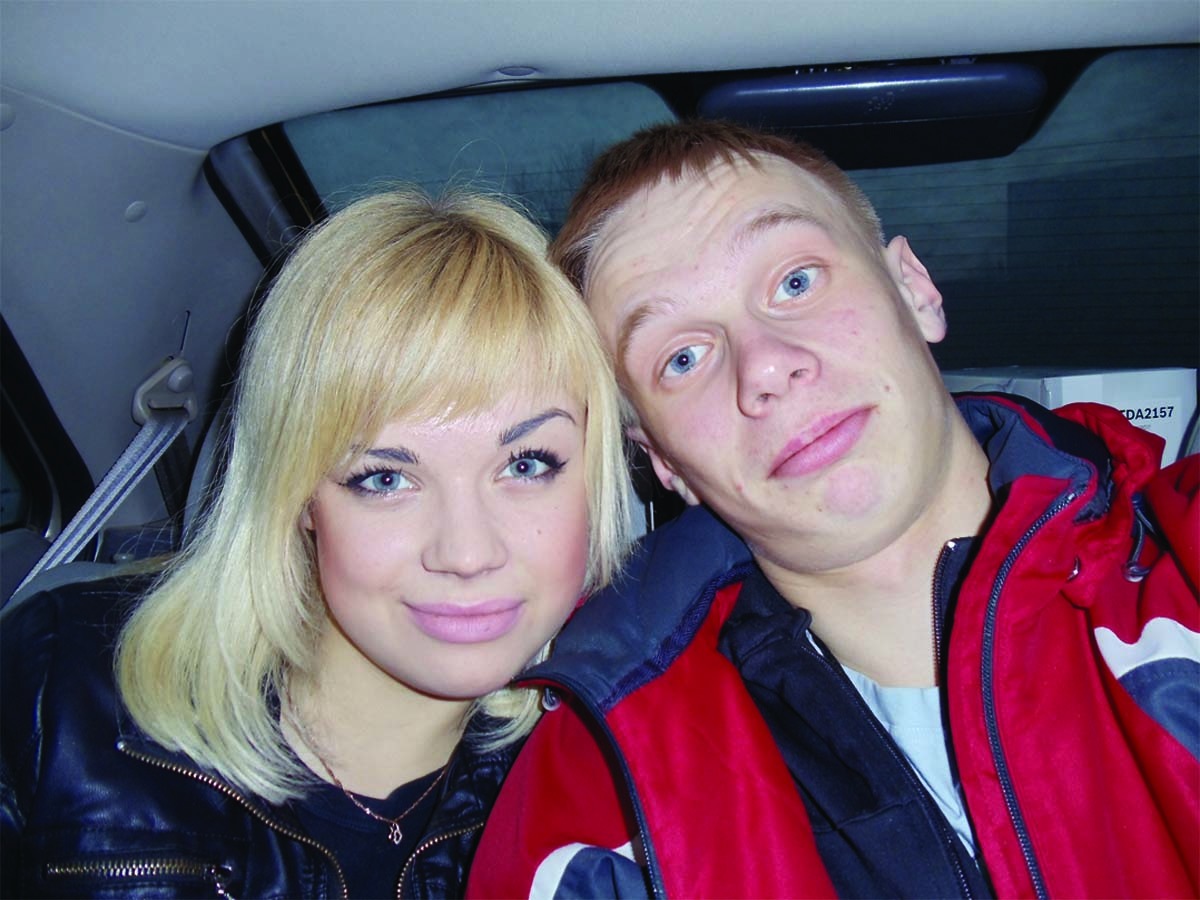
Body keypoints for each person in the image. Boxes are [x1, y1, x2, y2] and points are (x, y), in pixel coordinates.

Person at [467, 121, 1199, 898]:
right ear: (666, 463)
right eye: (683, 357)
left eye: (796, 282)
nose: (765, 366)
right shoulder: (598, 793)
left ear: (913, 290)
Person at [1, 188, 634, 898]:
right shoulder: (61, 691)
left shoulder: (617, 796)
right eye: (385, 478)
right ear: (298, 492)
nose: (466, 553)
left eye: (526, 465)